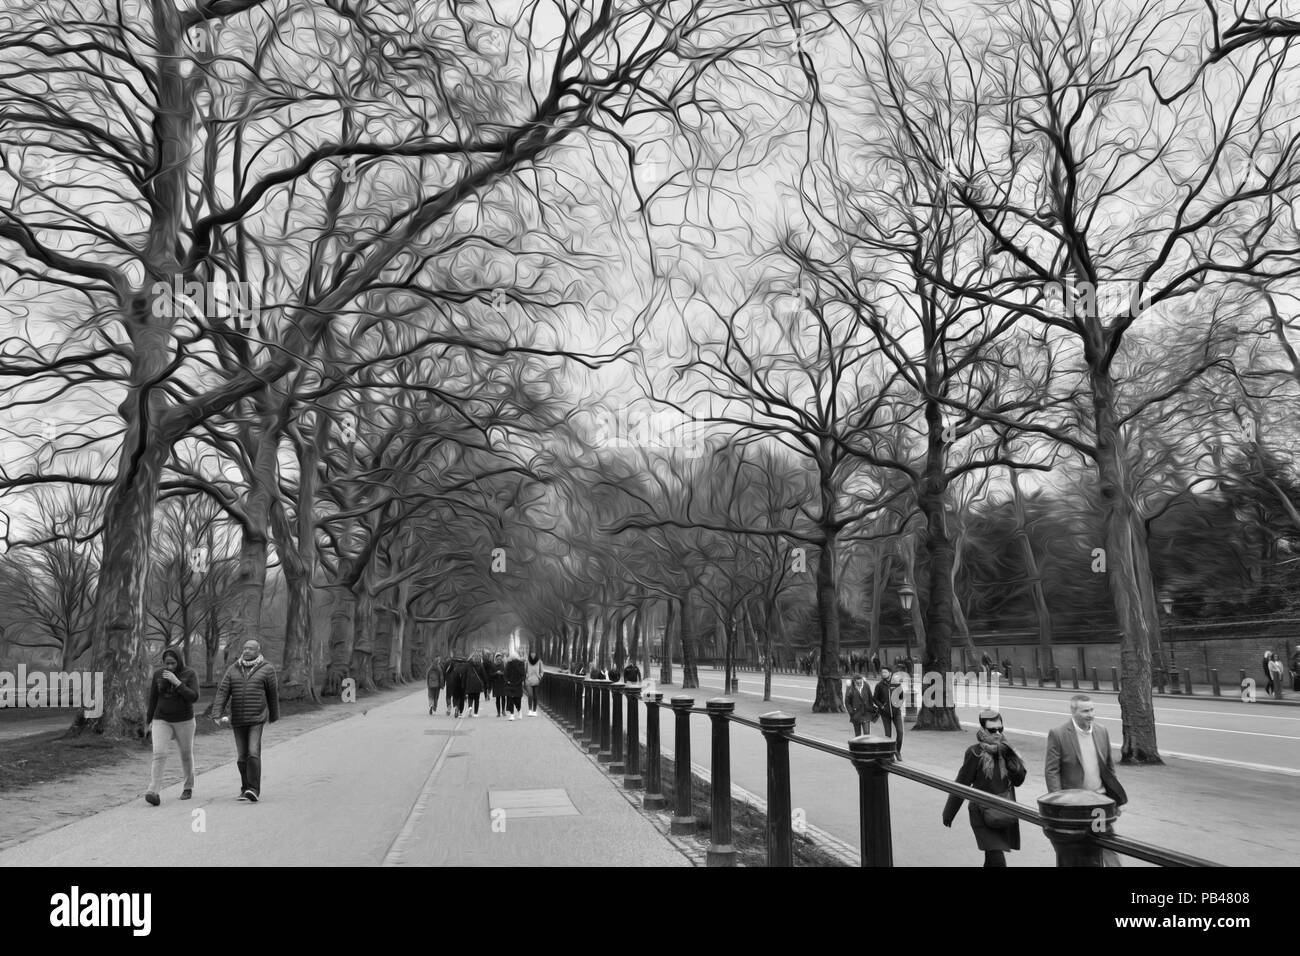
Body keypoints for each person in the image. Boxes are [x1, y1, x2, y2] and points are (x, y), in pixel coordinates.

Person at [1045, 695, 1127, 866]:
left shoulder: (1101, 731)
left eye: (1092, 709)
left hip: (1099, 804)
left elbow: (1109, 768)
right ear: (1073, 712)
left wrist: (1115, 801)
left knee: (1105, 842)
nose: (1090, 714)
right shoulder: (1058, 734)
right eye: (1085, 711)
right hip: (1074, 808)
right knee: (1076, 849)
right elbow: (1052, 771)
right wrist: (1059, 803)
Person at [942, 710, 1027, 867]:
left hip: (1004, 812)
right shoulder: (975, 752)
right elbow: (962, 783)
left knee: (992, 860)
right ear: (982, 729)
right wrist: (949, 812)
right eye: (992, 730)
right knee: (997, 860)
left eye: (1000, 729)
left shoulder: (1008, 750)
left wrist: (1013, 765)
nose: (997, 733)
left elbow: (1019, 781)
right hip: (981, 814)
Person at [213, 639, 280, 802]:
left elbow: (272, 693)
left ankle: (254, 789)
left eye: (250, 648)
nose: (246, 651)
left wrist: (274, 715)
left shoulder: (267, 669)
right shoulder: (233, 668)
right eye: (245, 648)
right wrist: (217, 713)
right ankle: (245, 788)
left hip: (257, 717)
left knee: (253, 752)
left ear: (258, 650)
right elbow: (223, 691)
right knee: (242, 756)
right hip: (238, 718)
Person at [144, 646, 200, 806]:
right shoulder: (158, 675)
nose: (169, 667)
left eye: (173, 663)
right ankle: (153, 791)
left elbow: (194, 697)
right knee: (159, 753)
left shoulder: (190, 674)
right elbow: (153, 699)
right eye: (166, 663)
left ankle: (188, 786)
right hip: (161, 719)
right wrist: (148, 722)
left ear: (179, 661)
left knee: (186, 754)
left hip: (184, 720)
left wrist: (177, 683)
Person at [872, 666, 905, 758]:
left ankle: (897, 751)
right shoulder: (879, 685)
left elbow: (901, 696)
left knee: (900, 732)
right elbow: (875, 698)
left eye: (885, 672)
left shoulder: (896, 684)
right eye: (882, 673)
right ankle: (889, 754)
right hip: (885, 713)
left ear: (890, 673)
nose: (883, 674)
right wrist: (882, 706)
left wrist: (898, 704)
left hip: (896, 712)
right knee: (888, 735)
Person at [845, 672, 876, 738]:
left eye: (860, 682)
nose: (859, 684)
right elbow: (847, 702)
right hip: (856, 713)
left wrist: (871, 708)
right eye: (857, 683)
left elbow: (870, 697)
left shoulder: (866, 685)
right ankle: (858, 748)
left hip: (866, 713)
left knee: (867, 734)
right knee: (857, 735)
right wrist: (851, 712)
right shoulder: (850, 688)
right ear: (854, 682)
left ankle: (866, 747)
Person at [504, 650, 527, 720]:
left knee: (517, 699)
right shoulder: (508, 664)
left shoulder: (520, 664)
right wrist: (507, 681)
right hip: (511, 684)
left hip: (517, 684)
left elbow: (523, 674)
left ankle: (519, 711)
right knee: (511, 699)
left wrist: (520, 681)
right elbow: (505, 674)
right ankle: (512, 714)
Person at [525, 651, 544, 716]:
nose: (533, 655)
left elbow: (542, 671)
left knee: (535, 696)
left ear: (536, 654)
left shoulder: (539, 662)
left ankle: (534, 710)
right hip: (529, 681)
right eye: (531, 653)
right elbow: (525, 670)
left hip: (536, 681)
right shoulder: (527, 661)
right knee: (530, 695)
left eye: (534, 653)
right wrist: (527, 676)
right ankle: (530, 710)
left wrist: (540, 677)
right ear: (530, 654)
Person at [489, 652, 508, 716]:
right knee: (497, 698)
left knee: (503, 697)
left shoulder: (504, 665)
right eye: (498, 659)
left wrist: (502, 674)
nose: (499, 660)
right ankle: (498, 712)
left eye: (500, 659)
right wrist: (496, 673)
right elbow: (490, 675)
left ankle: (503, 711)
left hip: (503, 683)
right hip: (496, 684)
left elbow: (506, 673)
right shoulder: (493, 665)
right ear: (496, 659)